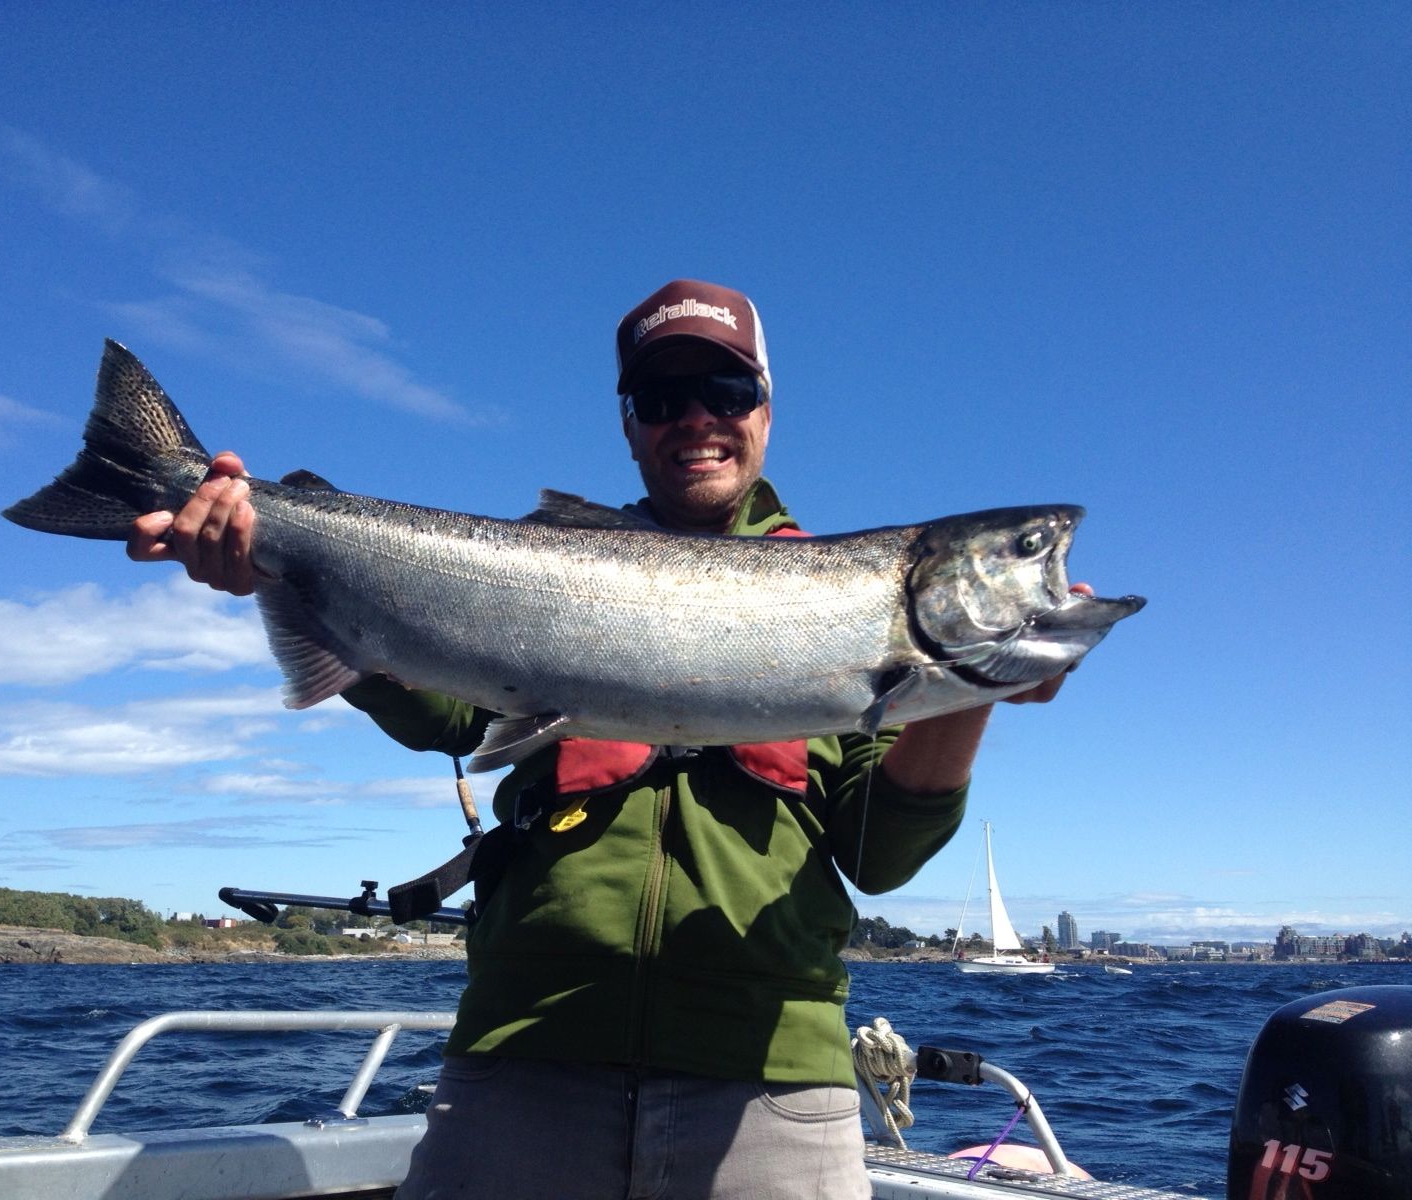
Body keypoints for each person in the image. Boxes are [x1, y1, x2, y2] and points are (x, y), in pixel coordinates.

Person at [128, 279, 1079, 1198]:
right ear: (630, 425)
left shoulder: (850, 592)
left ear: (766, 410)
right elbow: (444, 717)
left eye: (726, 389)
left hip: (772, 1084)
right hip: (524, 1057)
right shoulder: (543, 561)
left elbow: (883, 858)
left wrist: (971, 691)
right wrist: (284, 571)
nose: (697, 416)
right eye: (664, 397)